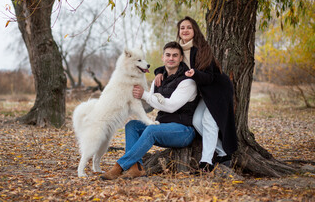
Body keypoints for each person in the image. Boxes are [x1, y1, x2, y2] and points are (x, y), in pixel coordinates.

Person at [100, 41, 197, 180]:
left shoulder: (187, 81)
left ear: (181, 58)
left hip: (183, 131)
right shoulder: (160, 78)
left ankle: (119, 167)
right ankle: (136, 168)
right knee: (132, 125)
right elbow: (149, 105)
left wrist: (144, 94)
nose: (171, 58)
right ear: (163, 58)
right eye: (168, 55)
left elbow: (171, 106)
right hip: (162, 127)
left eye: (175, 55)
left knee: (151, 130)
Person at [154, 16, 238, 172]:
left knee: (208, 120)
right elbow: (170, 63)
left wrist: (195, 74)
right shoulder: (179, 50)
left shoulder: (202, 48)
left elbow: (210, 76)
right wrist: (159, 72)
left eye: (189, 27)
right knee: (197, 121)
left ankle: (206, 163)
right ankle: (223, 152)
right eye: (182, 28)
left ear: (195, 31)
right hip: (203, 94)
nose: (185, 30)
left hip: (217, 90)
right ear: (179, 32)